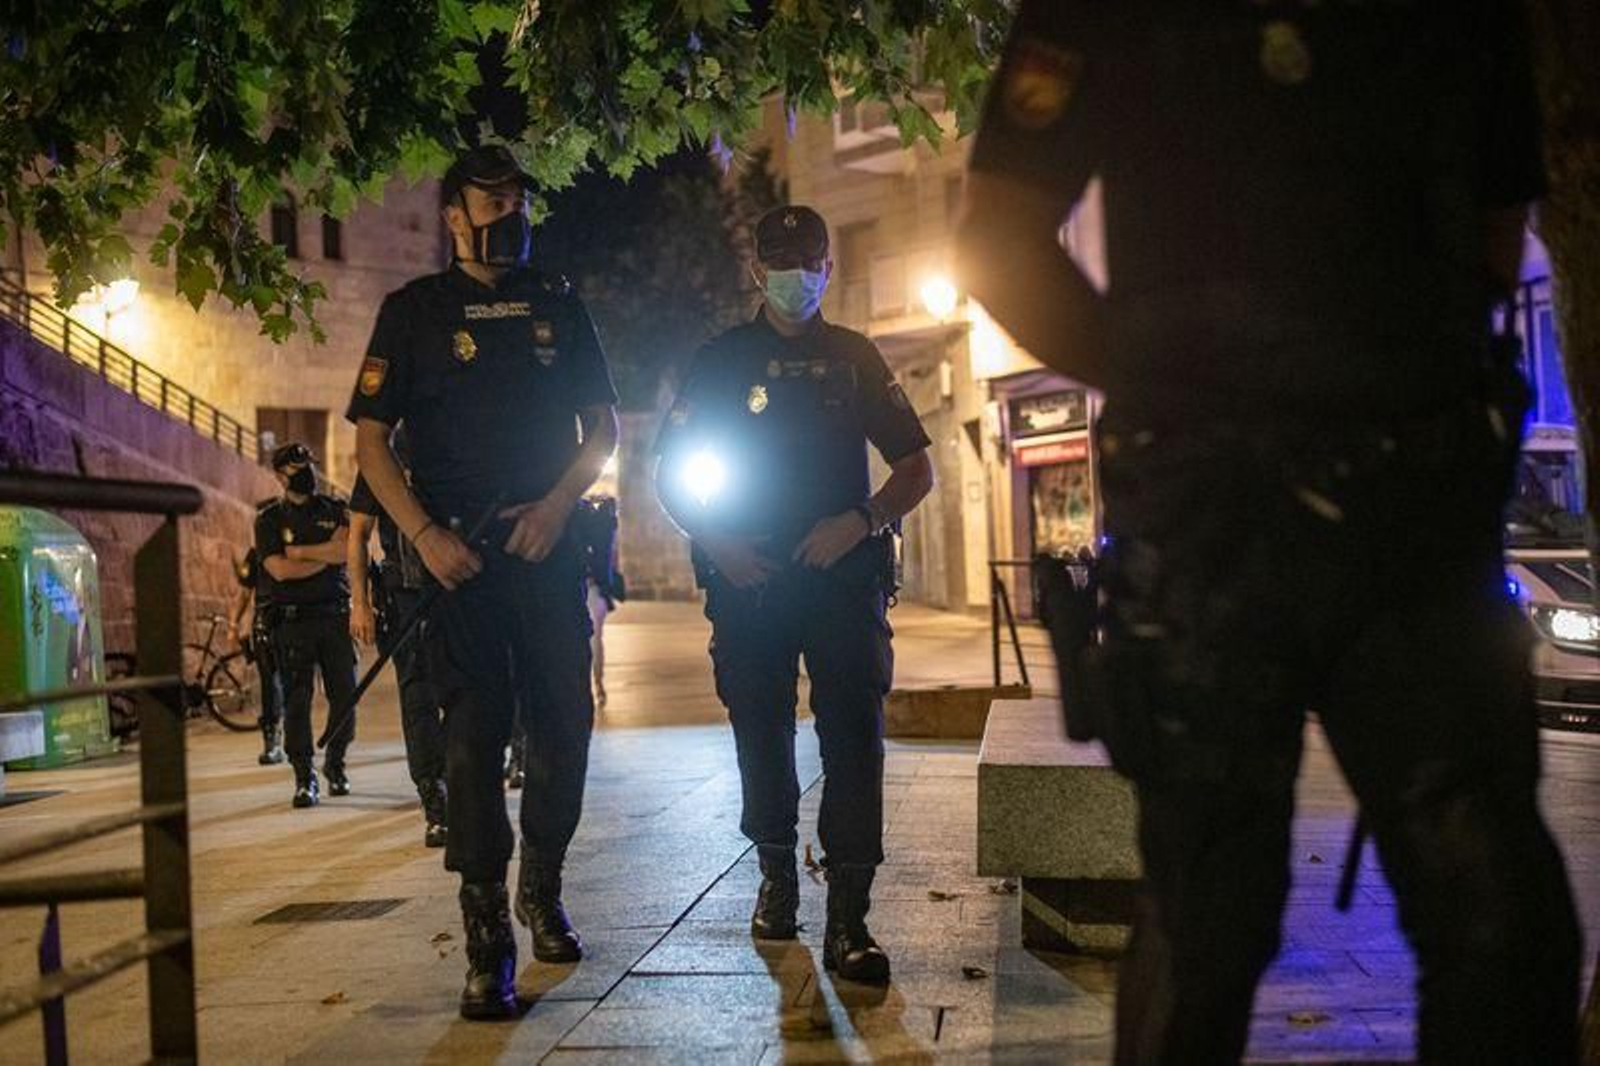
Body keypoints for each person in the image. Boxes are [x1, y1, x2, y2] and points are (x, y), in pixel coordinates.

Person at [955, 4, 1581, 1062]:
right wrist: (1185, 394)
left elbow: (1493, 224)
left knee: (1502, 929)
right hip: (1217, 528)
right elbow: (998, 238)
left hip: (1410, 519)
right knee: (1207, 916)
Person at [347, 144, 619, 1020]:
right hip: (457, 565)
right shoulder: (413, 313)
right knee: (470, 748)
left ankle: (541, 885)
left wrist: (555, 507)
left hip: (546, 552)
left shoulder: (558, 304)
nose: (508, 214)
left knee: (565, 727)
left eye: (518, 199)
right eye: (489, 201)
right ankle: (485, 936)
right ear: (453, 215)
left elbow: (603, 429)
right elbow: (369, 444)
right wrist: (421, 535)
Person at [654, 205, 934, 985]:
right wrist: (721, 546)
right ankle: (777, 876)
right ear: (757, 272)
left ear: (828, 269)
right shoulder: (721, 360)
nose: (796, 276)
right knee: (762, 734)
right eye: (781, 262)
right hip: (751, 583)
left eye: (809, 261)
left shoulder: (855, 356)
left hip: (843, 580)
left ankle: (850, 916)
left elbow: (916, 467)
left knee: (855, 742)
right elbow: (669, 472)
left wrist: (864, 520)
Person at [348, 454, 449, 849]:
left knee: (471, 691)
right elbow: (358, 531)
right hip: (405, 595)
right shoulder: (385, 453)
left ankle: (463, 788)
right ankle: (435, 801)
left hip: (459, 584)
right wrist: (359, 601)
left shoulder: (457, 434)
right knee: (418, 697)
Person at [255, 442, 358, 808]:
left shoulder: (336, 510)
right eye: (297, 466)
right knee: (297, 701)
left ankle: (336, 762)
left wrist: (299, 552)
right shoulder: (268, 520)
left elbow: (346, 550)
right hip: (292, 622)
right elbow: (278, 571)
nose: (306, 472)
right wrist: (323, 555)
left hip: (334, 617)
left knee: (346, 696)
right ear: (280, 475)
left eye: (308, 464)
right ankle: (304, 776)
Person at [226, 539, 285, 765]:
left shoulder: (298, 542)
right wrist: (233, 624)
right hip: (267, 623)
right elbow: (244, 592)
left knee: (297, 684)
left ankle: (300, 741)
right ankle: (272, 741)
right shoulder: (256, 554)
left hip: (300, 621)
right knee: (270, 683)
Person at [575, 494, 624, 707]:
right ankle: (596, 685)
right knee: (594, 638)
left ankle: (594, 685)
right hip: (594, 587)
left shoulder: (581, 519)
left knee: (592, 638)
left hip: (590, 587)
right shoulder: (605, 525)